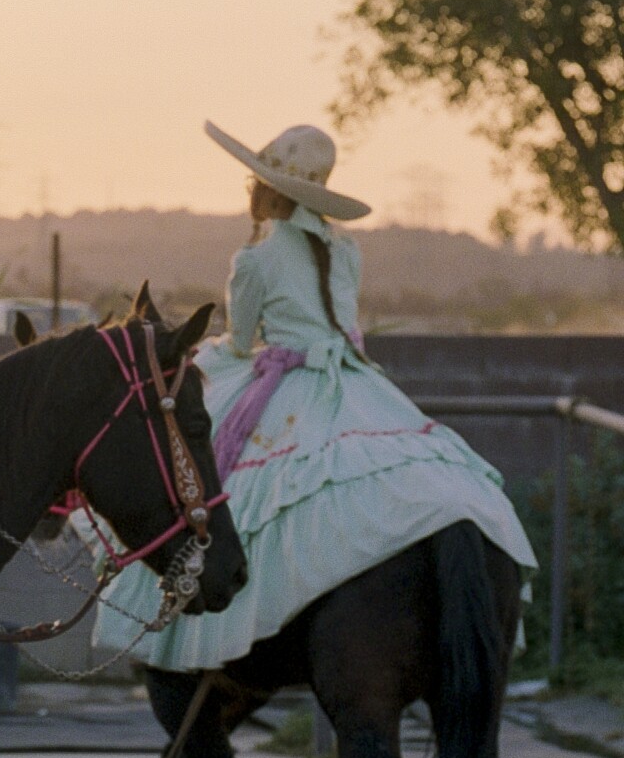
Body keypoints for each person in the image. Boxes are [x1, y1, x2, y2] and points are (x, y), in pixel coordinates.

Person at [92, 121, 535, 667]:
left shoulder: (255, 259)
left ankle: (225, 628)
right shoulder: (343, 249)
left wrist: (210, 354)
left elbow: (239, 341)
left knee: (213, 479)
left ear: (270, 190)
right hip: (352, 377)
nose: (249, 193)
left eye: (254, 183)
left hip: (291, 378)